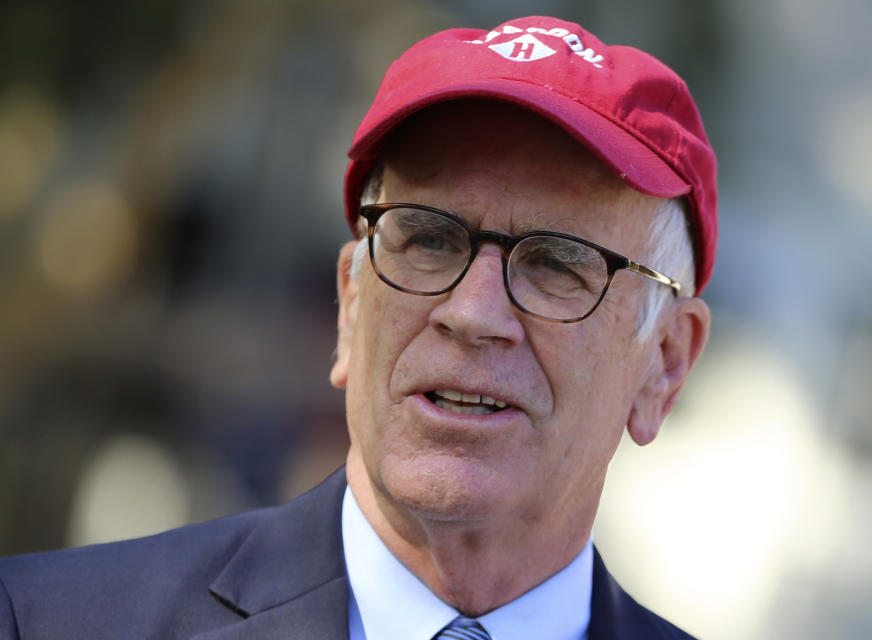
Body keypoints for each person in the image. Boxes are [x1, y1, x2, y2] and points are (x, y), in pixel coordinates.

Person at [0, 15, 715, 640]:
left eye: (557, 264)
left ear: (664, 363)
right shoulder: (46, 622)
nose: (470, 314)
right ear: (351, 304)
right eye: (430, 241)